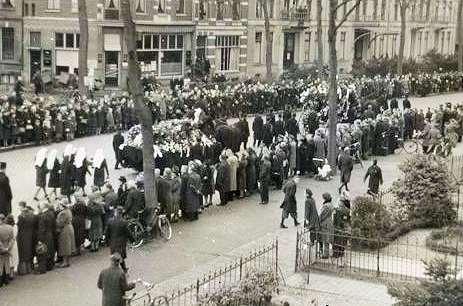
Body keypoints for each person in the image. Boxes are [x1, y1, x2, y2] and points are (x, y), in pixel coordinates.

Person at [106, 207, 130, 272]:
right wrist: (132, 240)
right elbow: (128, 232)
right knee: (120, 256)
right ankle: (121, 270)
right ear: (121, 213)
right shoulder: (124, 222)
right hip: (121, 243)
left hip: (113, 242)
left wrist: (107, 242)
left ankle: (123, 269)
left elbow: (107, 232)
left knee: (115, 256)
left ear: (115, 213)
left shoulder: (110, 221)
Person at [17, 204, 36, 275]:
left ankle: (23, 271)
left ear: (22, 207)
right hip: (30, 235)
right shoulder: (31, 215)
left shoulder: (21, 216)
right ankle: (29, 268)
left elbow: (19, 226)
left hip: (22, 236)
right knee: (29, 252)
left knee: (22, 253)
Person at [36, 202, 56, 272]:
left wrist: (39, 239)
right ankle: (50, 266)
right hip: (50, 234)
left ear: (43, 207)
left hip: (44, 235)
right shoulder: (51, 214)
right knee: (50, 250)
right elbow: (54, 225)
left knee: (43, 251)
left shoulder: (42, 216)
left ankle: (42, 268)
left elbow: (41, 229)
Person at [56, 199, 75, 268]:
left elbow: (60, 223)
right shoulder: (68, 211)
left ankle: (65, 262)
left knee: (64, 245)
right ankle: (67, 261)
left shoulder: (63, 213)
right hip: (69, 228)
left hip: (65, 229)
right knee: (68, 245)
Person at [332, 193, 351, 258]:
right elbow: (347, 220)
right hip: (343, 228)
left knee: (336, 242)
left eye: (339, 202)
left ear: (342, 203)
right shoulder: (347, 210)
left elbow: (335, 220)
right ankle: (341, 253)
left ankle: (336, 254)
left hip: (338, 228)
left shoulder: (337, 210)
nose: (338, 203)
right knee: (343, 241)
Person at [0, 214, 14, 287]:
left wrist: (3, 248)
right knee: (7, 262)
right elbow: (12, 239)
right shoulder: (10, 227)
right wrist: (8, 248)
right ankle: (7, 280)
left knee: (0, 264)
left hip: (1, 249)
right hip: (8, 248)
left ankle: (1, 281)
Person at [319, 193, 334, 259]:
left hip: (325, 223)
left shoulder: (326, 206)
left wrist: (319, 221)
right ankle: (328, 252)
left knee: (325, 239)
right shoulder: (331, 204)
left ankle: (325, 254)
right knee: (328, 238)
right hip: (329, 222)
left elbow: (322, 215)